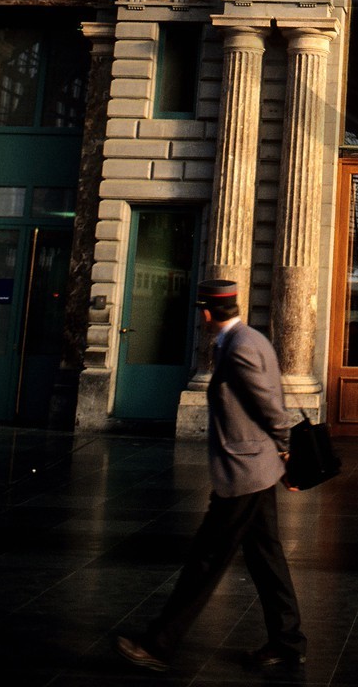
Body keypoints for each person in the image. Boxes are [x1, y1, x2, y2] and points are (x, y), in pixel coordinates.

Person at [116, 279, 305, 673]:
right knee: (267, 558)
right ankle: (288, 642)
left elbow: (271, 407)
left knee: (206, 560)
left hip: (245, 471)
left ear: (207, 312)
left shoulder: (239, 348)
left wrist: (287, 447)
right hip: (256, 467)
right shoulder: (250, 338)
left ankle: (158, 643)